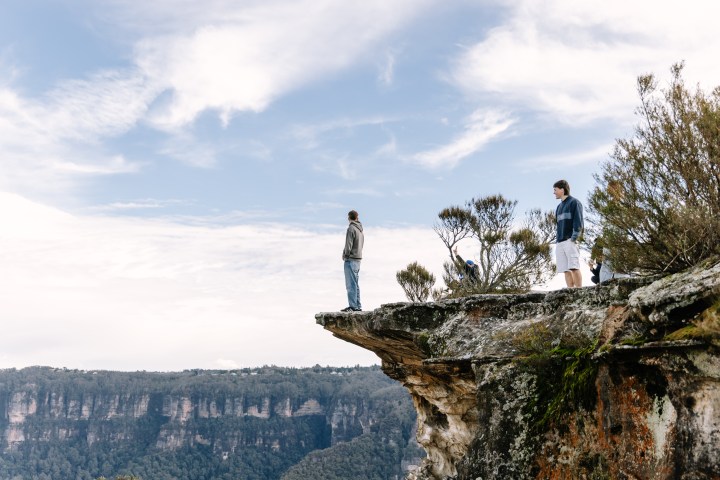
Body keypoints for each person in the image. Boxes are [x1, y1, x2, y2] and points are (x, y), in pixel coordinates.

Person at [553, 179, 584, 288]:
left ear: (562, 189)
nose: (554, 192)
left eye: (555, 190)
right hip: (560, 242)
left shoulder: (574, 202)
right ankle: (570, 292)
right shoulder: (558, 207)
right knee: (565, 270)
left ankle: (579, 292)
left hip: (570, 240)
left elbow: (578, 222)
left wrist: (573, 238)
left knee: (574, 267)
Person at [341, 210, 364, 312]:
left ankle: (353, 306)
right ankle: (357, 306)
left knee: (350, 284)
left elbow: (348, 245)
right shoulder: (360, 230)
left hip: (351, 259)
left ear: (348, 218)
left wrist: (345, 255)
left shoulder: (351, 228)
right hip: (358, 259)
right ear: (357, 217)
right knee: (355, 284)